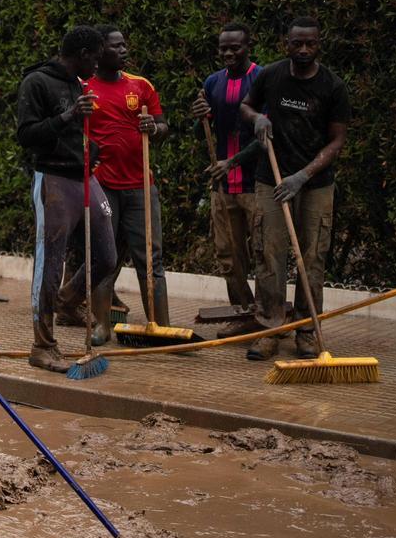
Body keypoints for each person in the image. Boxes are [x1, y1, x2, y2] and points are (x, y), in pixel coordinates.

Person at [239, 16, 351, 361]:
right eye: (296, 43)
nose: (303, 50)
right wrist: (256, 118)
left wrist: (302, 176)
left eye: (310, 43)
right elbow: (246, 104)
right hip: (270, 179)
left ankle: (306, 331)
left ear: (320, 43)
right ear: (286, 43)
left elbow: (337, 141)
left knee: (311, 257)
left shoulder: (333, 87)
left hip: (314, 183)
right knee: (269, 255)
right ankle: (270, 330)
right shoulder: (270, 75)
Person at [16, 25, 117, 373]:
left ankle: (67, 300)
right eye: (97, 57)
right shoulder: (37, 82)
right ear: (84, 54)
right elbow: (27, 135)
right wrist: (68, 116)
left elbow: (74, 131)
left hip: (85, 177)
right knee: (50, 265)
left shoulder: (80, 83)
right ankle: (42, 346)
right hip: (54, 180)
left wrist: (93, 147)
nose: (99, 65)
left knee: (107, 256)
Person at [89, 25, 170, 336]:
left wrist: (155, 128)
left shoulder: (141, 86)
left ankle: (160, 326)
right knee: (104, 256)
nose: (124, 51)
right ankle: (100, 324)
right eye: (116, 46)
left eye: (124, 45)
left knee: (151, 256)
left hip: (141, 185)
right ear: (100, 52)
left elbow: (163, 127)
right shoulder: (86, 89)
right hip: (103, 186)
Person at [190, 23, 262, 336]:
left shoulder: (262, 79)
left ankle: (269, 317)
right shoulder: (213, 82)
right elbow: (201, 132)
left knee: (264, 254)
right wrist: (200, 117)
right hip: (223, 187)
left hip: (257, 183)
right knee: (229, 255)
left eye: (236, 48)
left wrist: (232, 162)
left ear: (249, 46)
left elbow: (267, 135)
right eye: (224, 49)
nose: (229, 53)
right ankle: (243, 314)